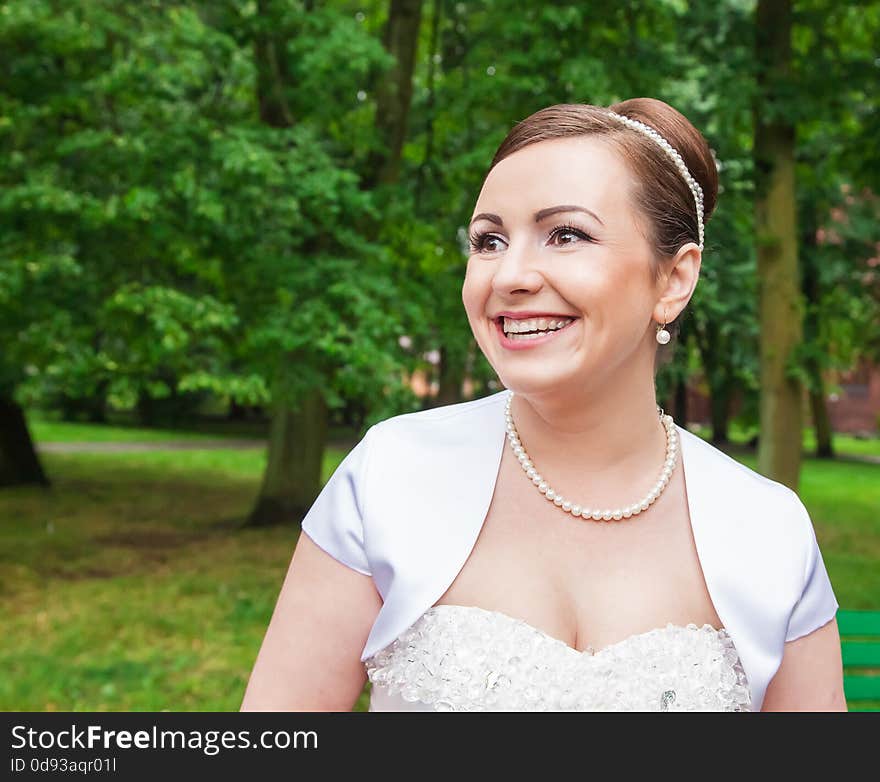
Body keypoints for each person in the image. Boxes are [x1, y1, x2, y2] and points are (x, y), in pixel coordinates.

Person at [240, 98, 846, 712]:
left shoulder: (770, 531)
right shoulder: (390, 475)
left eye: (566, 235)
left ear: (673, 280)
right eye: (489, 241)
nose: (510, 275)